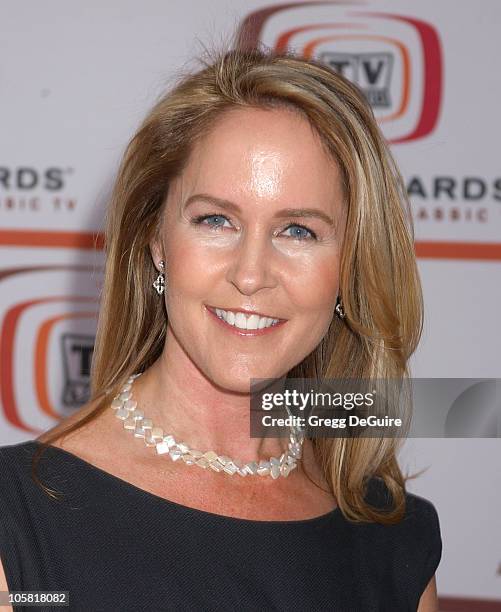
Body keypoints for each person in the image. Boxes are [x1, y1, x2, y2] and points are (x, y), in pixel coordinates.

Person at [0, 45, 441, 611]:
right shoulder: (21, 530)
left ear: (350, 268)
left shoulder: (391, 535)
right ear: (156, 244)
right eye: (215, 220)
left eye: (299, 231)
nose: (251, 274)